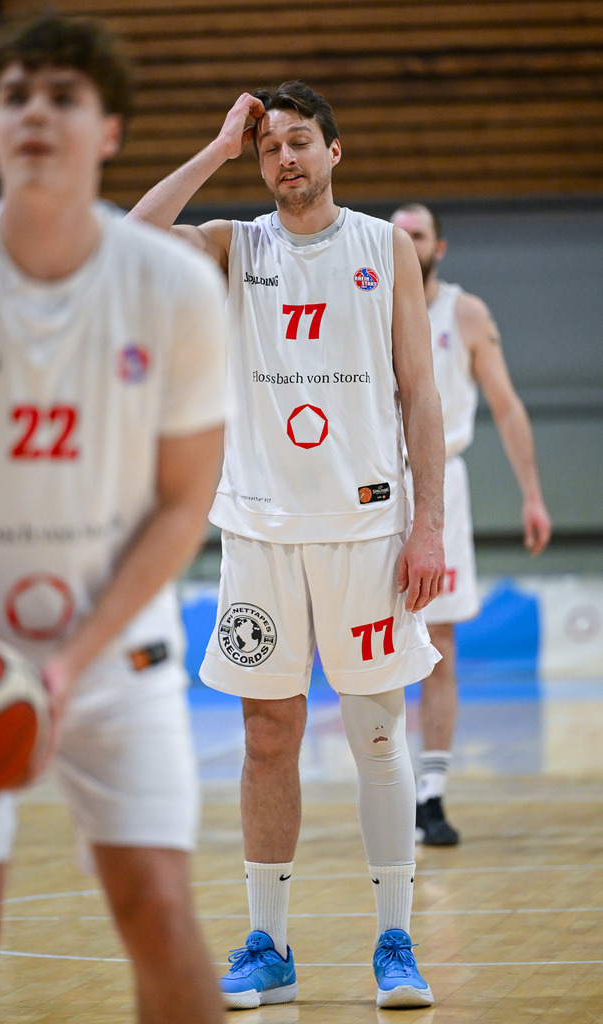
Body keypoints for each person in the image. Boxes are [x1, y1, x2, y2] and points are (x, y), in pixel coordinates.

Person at [0, 12, 228, 1024]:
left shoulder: (173, 287)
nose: (36, 113)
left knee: (157, 906)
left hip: (113, 648)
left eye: (64, 96)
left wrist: (67, 661)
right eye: (15, 96)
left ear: (109, 132)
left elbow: (186, 501)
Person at [129, 82, 446, 1010]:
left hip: (366, 528)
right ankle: (267, 941)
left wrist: (426, 523)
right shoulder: (236, 244)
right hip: (260, 530)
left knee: (376, 729)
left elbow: (420, 395)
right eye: (272, 150)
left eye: (300, 143)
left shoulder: (385, 248)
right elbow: (134, 237)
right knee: (267, 735)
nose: (286, 162)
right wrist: (219, 145)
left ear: (335, 152)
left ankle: (396, 940)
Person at [390, 202, 552, 846]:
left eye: (418, 234)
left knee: (438, 646)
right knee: (367, 645)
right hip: (373, 483)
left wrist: (533, 494)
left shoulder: (465, 313)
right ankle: (388, 785)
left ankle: (430, 794)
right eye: (398, 234)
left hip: (440, 484)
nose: (408, 242)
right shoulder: (365, 302)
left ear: (440, 246)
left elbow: (508, 408)